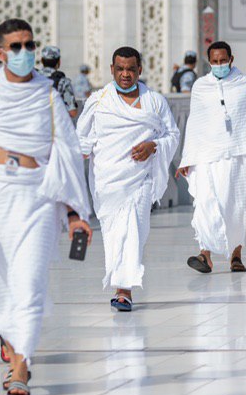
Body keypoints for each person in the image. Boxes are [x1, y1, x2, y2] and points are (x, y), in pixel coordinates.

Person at [0, 18, 93, 395]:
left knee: (29, 281)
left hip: (38, 196)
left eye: (29, 45)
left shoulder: (48, 94)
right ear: (0, 52)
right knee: (3, 284)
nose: (24, 53)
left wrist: (75, 212)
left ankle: (21, 366)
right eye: (16, 47)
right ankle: (15, 355)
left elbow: (67, 151)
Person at [77, 46, 180, 310]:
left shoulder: (154, 101)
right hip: (107, 182)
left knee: (133, 229)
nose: (125, 75)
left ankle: (124, 290)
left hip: (140, 180)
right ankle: (120, 285)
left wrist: (153, 146)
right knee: (113, 235)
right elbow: (81, 139)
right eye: (120, 69)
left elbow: (172, 135)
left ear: (139, 70)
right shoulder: (98, 101)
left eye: (131, 69)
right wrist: (81, 154)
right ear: (111, 69)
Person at [177, 41, 246, 274]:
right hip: (206, 158)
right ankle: (205, 255)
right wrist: (187, 158)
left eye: (223, 61)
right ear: (209, 62)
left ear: (231, 60)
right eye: (215, 61)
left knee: (235, 207)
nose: (220, 65)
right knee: (205, 204)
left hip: (237, 158)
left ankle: (236, 256)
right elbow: (195, 124)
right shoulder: (201, 87)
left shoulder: (244, 85)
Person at [37, 45, 77, 118]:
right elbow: (72, 112)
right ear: (59, 61)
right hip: (54, 126)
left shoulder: (33, 78)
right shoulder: (63, 81)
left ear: (42, 60)